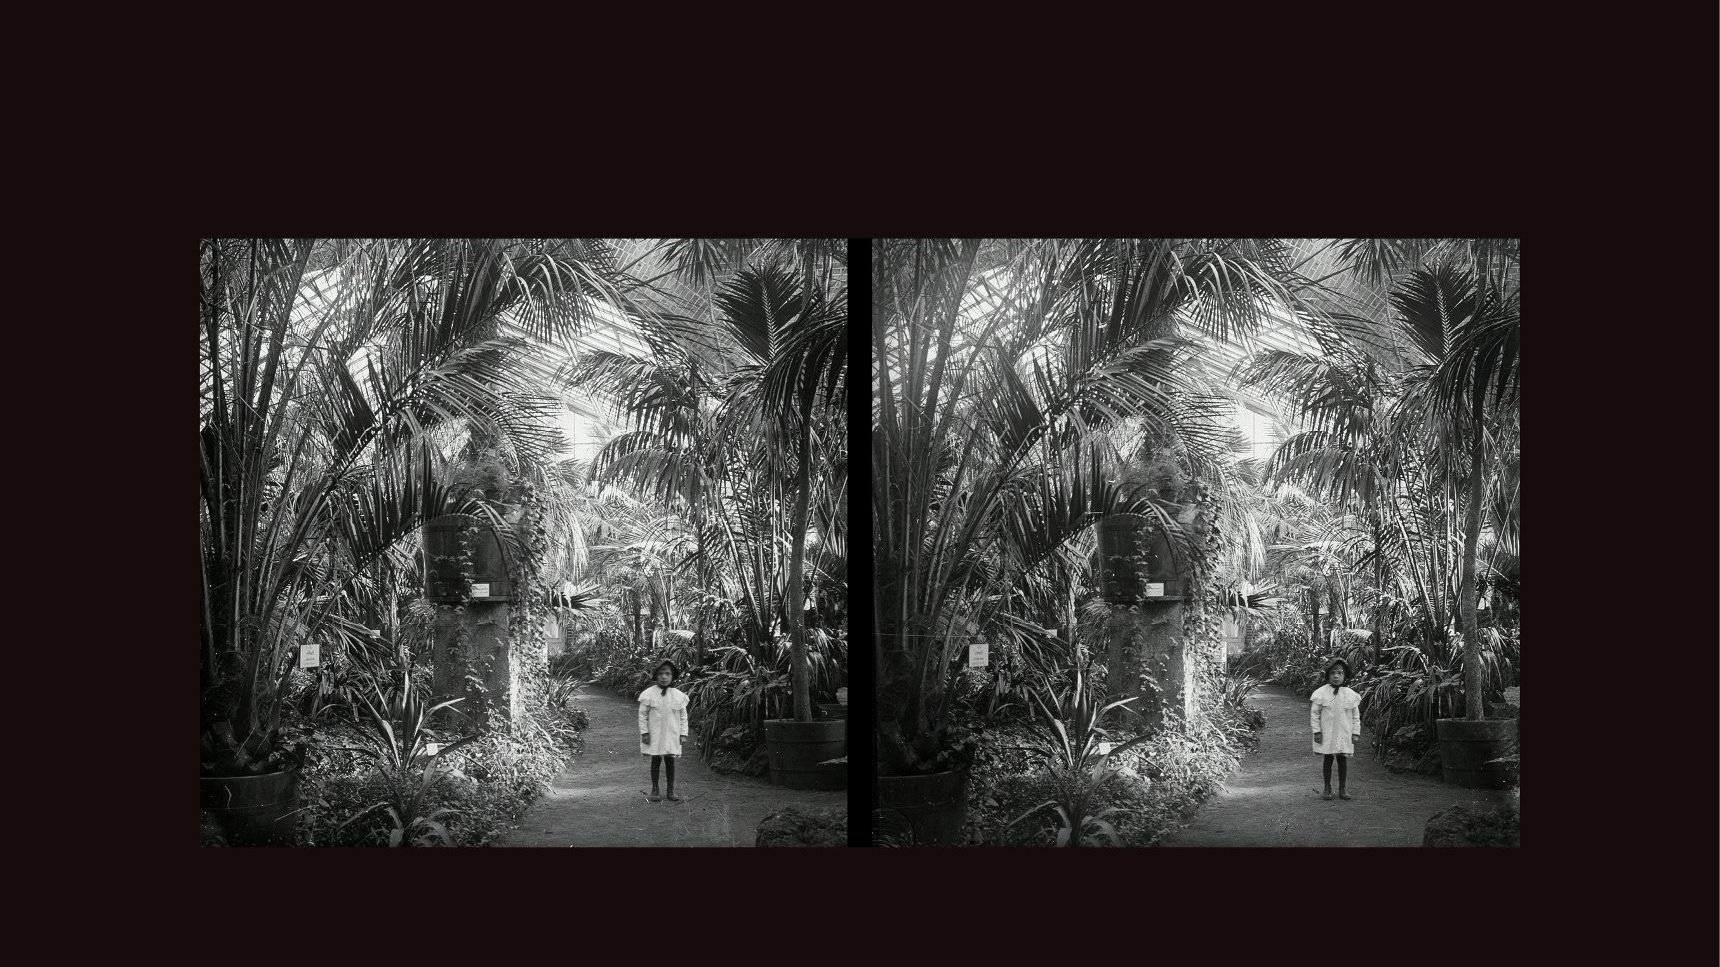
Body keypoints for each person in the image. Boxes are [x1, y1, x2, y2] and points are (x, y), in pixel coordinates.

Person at [1310, 659, 1362, 801]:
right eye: (1333, 673)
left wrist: (1355, 732)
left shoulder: (1350, 694)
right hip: (1327, 733)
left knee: (1342, 760)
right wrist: (1317, 731)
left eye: (1340, 673)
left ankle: (1342, 788)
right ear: (1328, 676)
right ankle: (1327, 787)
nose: (1336, 676)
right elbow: (1315, 714)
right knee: (1328, 758)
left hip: (1343, 734)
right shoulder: (1321, 693)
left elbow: (1356, 716)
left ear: (1345, 675)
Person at [638, 660, 690, 802]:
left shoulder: (678, 695)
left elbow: (683, 716)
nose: (664, 677)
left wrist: (683, 733)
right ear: (656, 675)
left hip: (671, 735)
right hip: (655, 735)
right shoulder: (649, 694)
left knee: (670, 762)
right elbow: (642, 715)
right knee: (655, 760)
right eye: (661, 673)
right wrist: (645, 733)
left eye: (667, 674)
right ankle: (655, 788)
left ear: (673, 676)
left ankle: (670, 789)